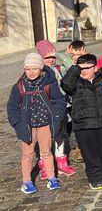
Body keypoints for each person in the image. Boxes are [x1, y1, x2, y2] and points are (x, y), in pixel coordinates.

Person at [7, 53, 66, 194]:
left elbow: (59, 101)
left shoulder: (49, 84)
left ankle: (52, 178)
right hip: (27, 126)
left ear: (41, 69)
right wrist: (17, 123)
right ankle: (26, 181)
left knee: (46, 152)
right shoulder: (19, 86)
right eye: (28, 69)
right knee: (27, 154)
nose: (31, 72)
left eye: (34, 69)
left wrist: (57, 117)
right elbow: (12, 107)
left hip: (45, 123)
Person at [61, 54, 102, 190]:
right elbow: (65, 84)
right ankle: (95, 178)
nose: (84, 71)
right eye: (81, 68)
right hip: (84, 125)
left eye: (87, 68)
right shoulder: (75, 82)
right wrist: (75, 69)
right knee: (90, 154)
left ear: (95, 68)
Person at [35, 40, 76, 177]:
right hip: (45, 110)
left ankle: (61, 162)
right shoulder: (37, 72)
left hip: (61, 108)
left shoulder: (59, 68)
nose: (51, 60)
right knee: (45, 138)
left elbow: (71, 67)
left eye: (53, 57)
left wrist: (57, 54)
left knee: (60, 135)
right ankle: (45, 164)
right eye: (47, 57)